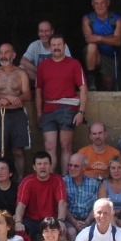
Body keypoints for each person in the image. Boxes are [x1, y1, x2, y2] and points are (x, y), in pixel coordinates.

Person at [36, 33, 87, 172]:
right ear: (50, 47)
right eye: (53, 45)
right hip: (48, 109)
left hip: (67, 108)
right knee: (49, 147)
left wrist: (81, 112)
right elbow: (38, 91)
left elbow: (83, 89)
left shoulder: (74, 63)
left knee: (66, 146)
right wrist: (39, 113)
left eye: (59, 44)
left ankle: (66, 179)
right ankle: (50, 179)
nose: (56, 47)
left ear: (64, 46)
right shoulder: (43, 65)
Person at [0, 42, 32, 176]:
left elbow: (27, 94)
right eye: (1, 53)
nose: (3, 56)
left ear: (13, 55)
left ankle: (20, 181)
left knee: (18, 150)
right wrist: (8, 97)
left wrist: (11, 100)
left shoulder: (21, 73)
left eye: (6, 52)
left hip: (17, 114)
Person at [14, 151, 67, 241]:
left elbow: (62, 202)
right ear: (34, 167)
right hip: (30, 220)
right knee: (18, 235)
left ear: (50, 165)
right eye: (39, 164)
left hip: (51, 220)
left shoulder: (58, 180)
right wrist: (18, 222)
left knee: (62, 234)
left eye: (45, 163)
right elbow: (21, 204)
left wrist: (61, 220)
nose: (42, 167)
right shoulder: (27, 182)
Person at [81, 0, 121, 91]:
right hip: (95, 55)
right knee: (92, 47)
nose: (99, 6)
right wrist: (110, 38)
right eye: (96, 3)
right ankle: (91, 80)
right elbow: (90, 39)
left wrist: (99, 38)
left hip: (110, 55)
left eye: (102, 3)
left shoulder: (117, 19)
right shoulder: (87, 19)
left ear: (108, 3)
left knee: (108, 84)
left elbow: (118, 41)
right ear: (93, 5)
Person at [20, 20, 70, 85]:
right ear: (38, 33)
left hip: (57, 77)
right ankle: (43, 83)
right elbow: (23, 61)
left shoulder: (60, 44)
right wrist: (39, 71)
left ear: (52, 32)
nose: (44, 34)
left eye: (46, 31)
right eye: (41, 31)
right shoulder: (34, 45)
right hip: (39, 77)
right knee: (21, 68)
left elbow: (69, 63)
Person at [63, 154, 99, 241]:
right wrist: (74, 222)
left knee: (96, 230)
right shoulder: (63, 182)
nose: (72, 168)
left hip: (89, 219)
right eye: (70, 165)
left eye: (76, 166)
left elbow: (97, 206)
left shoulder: (94, 184)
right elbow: (61, 206)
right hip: (69, 220)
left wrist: (87, 221)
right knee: (71, 232)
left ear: (84, 168)